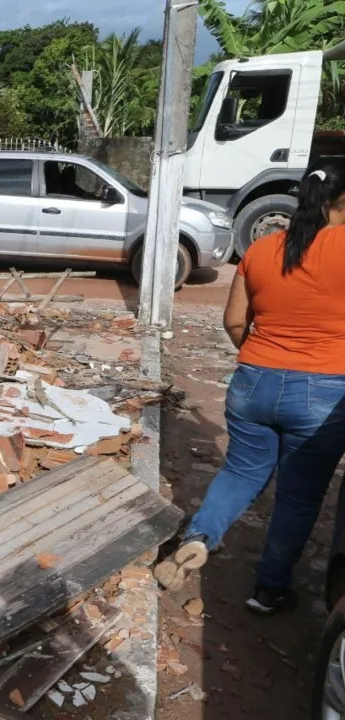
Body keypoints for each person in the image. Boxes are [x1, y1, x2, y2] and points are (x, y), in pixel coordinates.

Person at [154, 160, 345, 614]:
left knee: (241, 472)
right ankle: (270, 589)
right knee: (299, 495)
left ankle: (199, 537)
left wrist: (266, 360)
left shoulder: (262, 249)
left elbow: (235, 322)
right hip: (326, 392)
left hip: (253, 380)